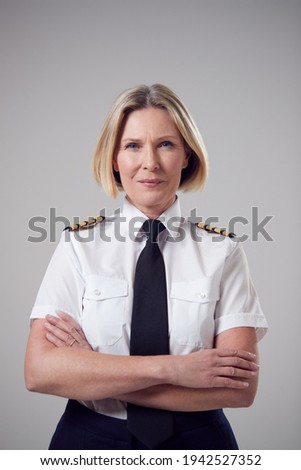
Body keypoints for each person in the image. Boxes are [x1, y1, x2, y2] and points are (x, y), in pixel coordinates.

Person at [25, 83, 268, 450]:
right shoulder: (78, 247)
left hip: (198, 442)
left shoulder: (224, 251)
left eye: (166, 144)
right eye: (133, 146)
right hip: (90, 439)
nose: (150, 163)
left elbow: (238, 390)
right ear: (114, 158)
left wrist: (94, 369)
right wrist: (175, 370)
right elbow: (39, 372)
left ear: (187, 155)